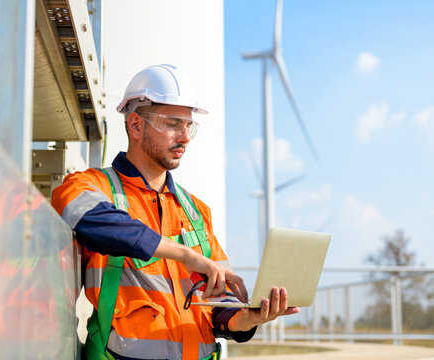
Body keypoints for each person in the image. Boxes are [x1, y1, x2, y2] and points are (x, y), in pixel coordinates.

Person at [52, 64, 299, 360]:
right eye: (172, 124)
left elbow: (219, 303)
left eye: (188, 126)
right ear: (135, 125)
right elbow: (77, 212)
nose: (185, 137)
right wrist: (186, 255)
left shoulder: (195, 210)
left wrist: (248, 318)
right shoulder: (93, 187)